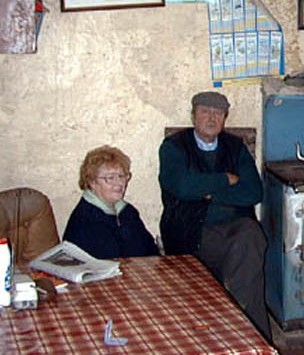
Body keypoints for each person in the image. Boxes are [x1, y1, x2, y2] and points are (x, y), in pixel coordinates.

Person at [158, 91, 270, 340]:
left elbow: (253, 192)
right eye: (205, 111)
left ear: (225, 118)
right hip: (192, 230)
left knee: (251, 237)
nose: (212, 117)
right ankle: (248, 332)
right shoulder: (173, 147)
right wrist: (225, 180)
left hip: (235, 226)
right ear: (193, 116)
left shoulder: (235, 147)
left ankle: (242, 331)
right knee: (246, 262)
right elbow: (182, 186)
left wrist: (209, 192)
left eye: (218, 113)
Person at [64, 145, 158, 259]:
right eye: (110, 178)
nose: (119, 183)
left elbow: (151, 250)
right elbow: (108, 262)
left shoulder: (127, 212)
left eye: (121, 176)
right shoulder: (85, 219)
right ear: (92, 182)